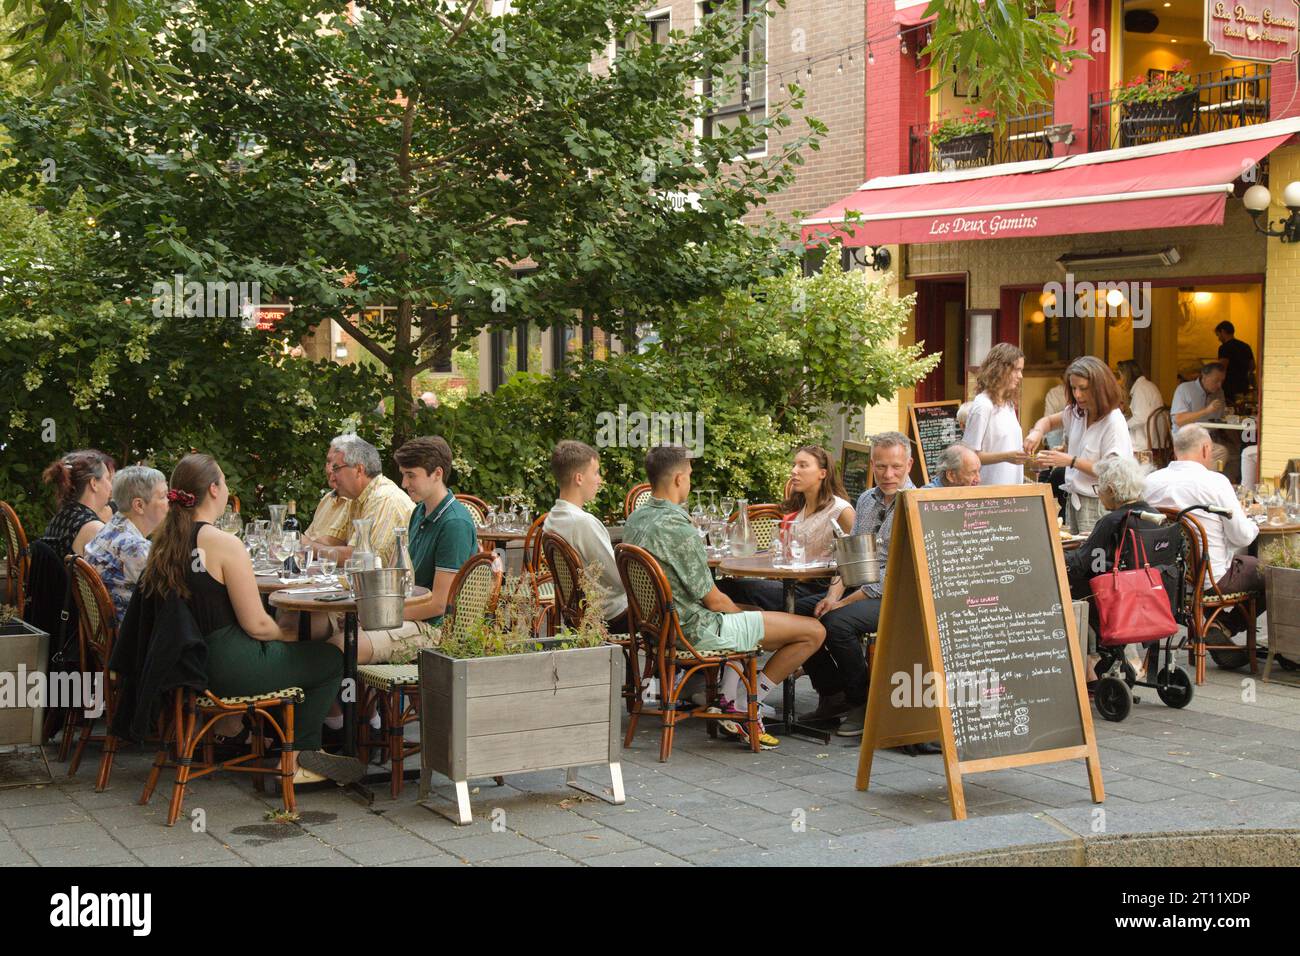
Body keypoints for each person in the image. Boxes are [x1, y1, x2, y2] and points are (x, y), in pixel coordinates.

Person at [137, 454, 358, 786]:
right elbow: (256, 625)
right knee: (329, 658)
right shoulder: (224, 543)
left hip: (184, 665)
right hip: (226, 666)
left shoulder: (164, 540)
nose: (226, 488)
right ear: (214, 489)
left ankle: (275, 743)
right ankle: (301, 759)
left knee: (304, 651)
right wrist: (288, 634)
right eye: (224, 481)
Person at [622, 445, 825, 750]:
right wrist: (749, 624)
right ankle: (745, 706)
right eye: (689, 476)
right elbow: (715, 602)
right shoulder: (679, 528)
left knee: (753, 611)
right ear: (678, 479)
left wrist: (752, 619)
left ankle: (728, 700)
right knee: (813, 631)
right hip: (695, 631)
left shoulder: (636, 519)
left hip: (658, 628)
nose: (690, 481)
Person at [794, 431, 914, 739]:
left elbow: (896, 574)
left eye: (896, 467)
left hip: (898, 596)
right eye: (882, 466)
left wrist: (843, 602)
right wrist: (833, 593)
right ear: (872, 464)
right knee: (798, 613)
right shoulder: (865, 500)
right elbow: (850, 555)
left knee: (836, 622)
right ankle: (833, 693)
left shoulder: (916, 504)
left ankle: (863, 702)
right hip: (860, 585)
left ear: (909, 465)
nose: (888, 474)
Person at [1141, 424, 1264, 645]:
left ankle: (1213, 626)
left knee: (1209, 566)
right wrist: (1252, 522)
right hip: (1209, 580)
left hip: (1163, 578)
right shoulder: (1215, 482)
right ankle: (1224, 626)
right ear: (1207, 449)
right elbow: (1243, 537)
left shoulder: (1150, 482)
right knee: (1266, 572)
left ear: (1175, 450)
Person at [1064, 457, 1182, 684]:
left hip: (1119, 602)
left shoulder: (1113, 521)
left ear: (1110, 489)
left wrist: (1057, 555)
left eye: (1099, 488)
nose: (1099, 494)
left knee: (1071, 585)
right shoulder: (1153, 515)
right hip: (1154, 599)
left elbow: (1082, 562)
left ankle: (1088, 661)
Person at [721, 445, 854, 612]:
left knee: (730, 590)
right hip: (790, 583)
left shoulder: (841, 510)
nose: (794, 471)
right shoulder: (802, 508)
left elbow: (856, 561)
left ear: (823, 473)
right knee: (725, 587)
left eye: (803, 465)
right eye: (794, 465)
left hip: (818, 590)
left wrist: (833, 597)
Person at [1026, 356, 1133, 536]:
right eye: (1073, 388)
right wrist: (1037, 432)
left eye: (1083, 388)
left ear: (1099, 388)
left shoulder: (1113, 421)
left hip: (1099, 504)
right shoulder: (1077, 412)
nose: (1077, 394)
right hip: (1074, 499)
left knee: (1094, 561)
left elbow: (1111, 472)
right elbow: (1049, 421)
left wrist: (1070, 460)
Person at [543, 441, 628, 627]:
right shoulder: (584, 523)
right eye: (596, 472)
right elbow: (621, 581)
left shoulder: (552, 519)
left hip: (578, 612)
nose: (600, 480)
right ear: (579, 478)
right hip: (611, 616)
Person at [306, 434, 414, 567]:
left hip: (397, 586)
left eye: (336, 468)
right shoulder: (355, 499)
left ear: (358, 469)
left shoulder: (384, 499)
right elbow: (334, 544)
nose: (331, 475)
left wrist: (306, 546)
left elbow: (359, 559)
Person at [84, 466, 169, 627]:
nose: (169, 503)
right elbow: (174, 597)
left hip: (107, 638)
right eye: (164, 496)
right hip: (132, 642)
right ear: (139, 505)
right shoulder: (135, 548)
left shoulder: (107, 530)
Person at [963, 343, 1030, 486]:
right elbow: (969, 456)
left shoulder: (1008, 404)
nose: (1020, 376)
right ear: (1000, 370)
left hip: (1012, 489)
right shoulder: (983, 406)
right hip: (989, 491)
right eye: (1016, 370)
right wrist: (1006, 457)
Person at [41, 449, 116, 557]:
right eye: (108, 478)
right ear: (94, 483)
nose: (111, 486)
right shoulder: (94, 528)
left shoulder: (60, 517)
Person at [1117, 359, 1165, 465]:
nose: (1121, 380)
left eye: (1121, 376)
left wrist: (1122, 425)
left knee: (1118, 445)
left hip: (1145, 444)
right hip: (1151, 438)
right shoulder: (1147, 385)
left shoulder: (1140, 389)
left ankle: (1134, 475)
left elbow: (1141, 418)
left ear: (1127, 375)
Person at [303, 457, 351, 549]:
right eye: (328, 463)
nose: (329, 470)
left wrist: (299, 541)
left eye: (336, 466)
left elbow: (334, 543)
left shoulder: (354, 500)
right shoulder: (327, 498)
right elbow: (309, 536)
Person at [1215, 321, 1256, 405]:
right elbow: (1252, 366)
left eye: (1218, 335)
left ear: (1222, 331)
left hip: (1229, 387)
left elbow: (1222, 368)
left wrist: (1217, 385)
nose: (1218, 338)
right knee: (1241, 409)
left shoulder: (1224, 348)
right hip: (1243, 385)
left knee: (1229, 411)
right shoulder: (1245, 346)